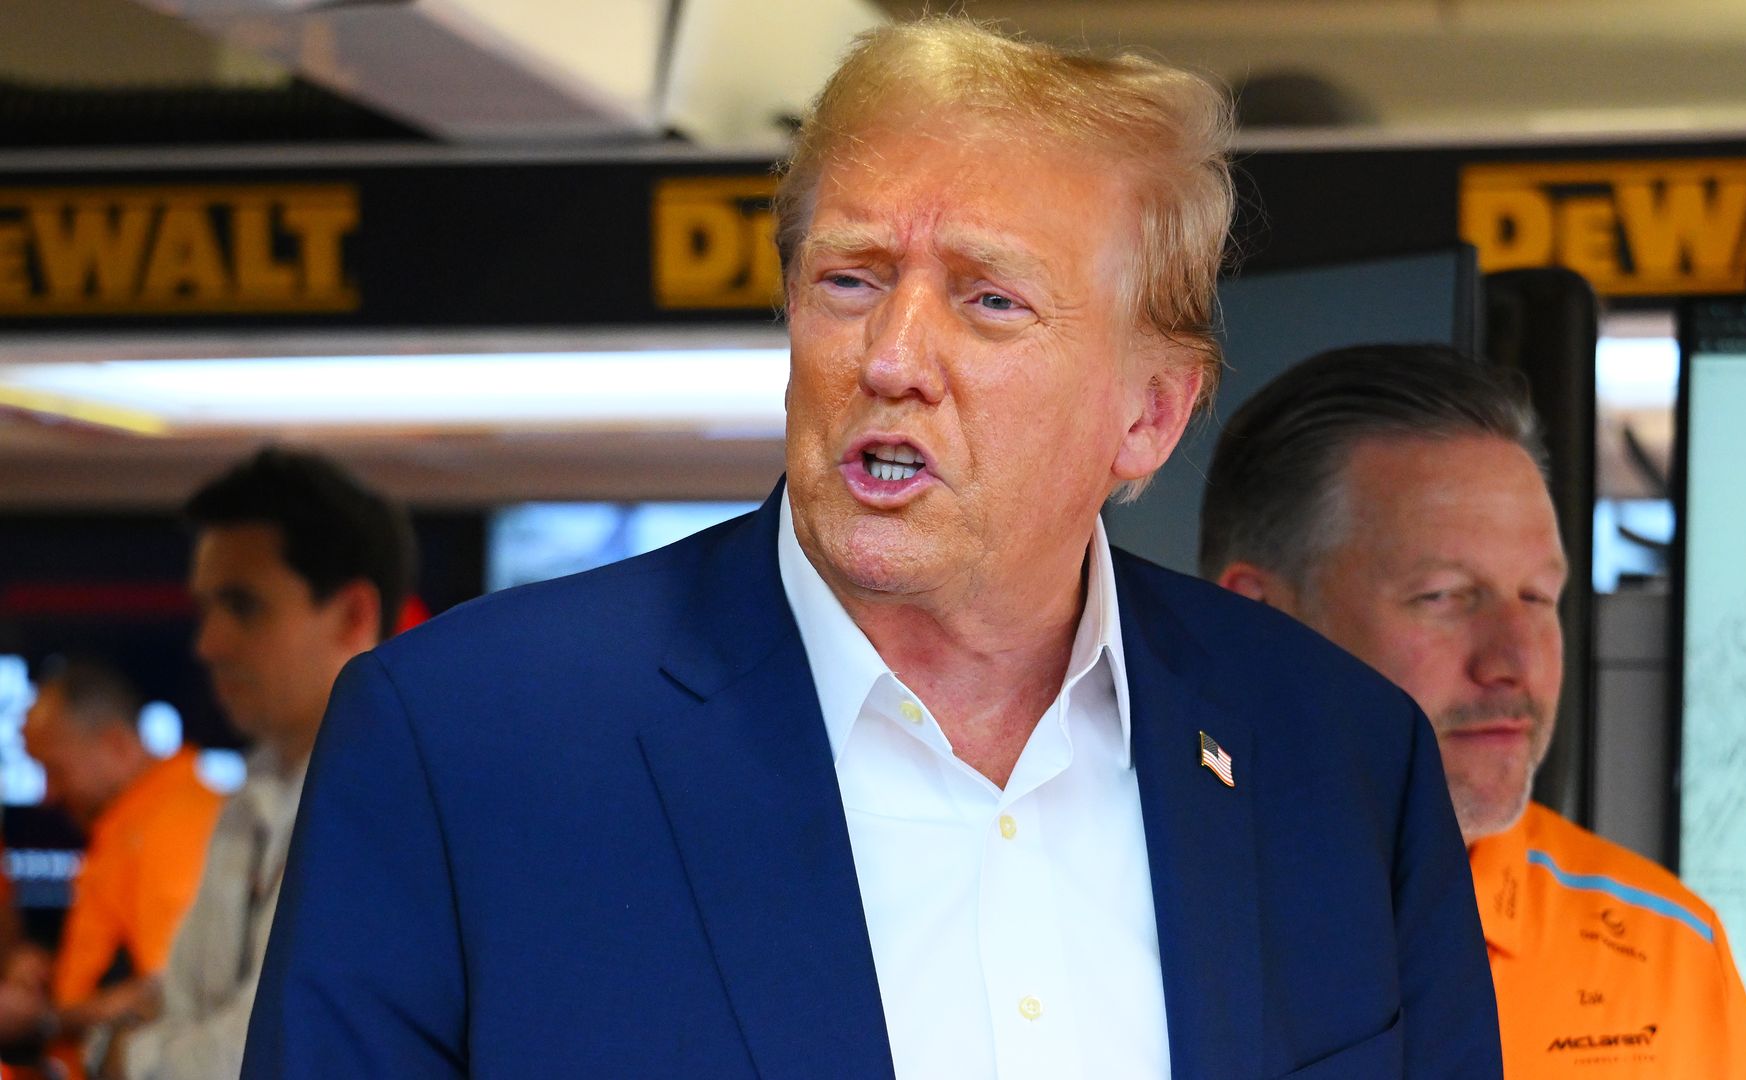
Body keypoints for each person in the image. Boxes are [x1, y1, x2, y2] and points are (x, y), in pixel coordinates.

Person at [241, 19, 1498, 1079]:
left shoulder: (1339, 761)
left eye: (988, 298)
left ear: (1149, 414)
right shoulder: (464, 741)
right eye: (849, 280)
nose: (890, 358)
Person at [1202, 343, 1746, 1078]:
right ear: (1261, 623)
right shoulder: (1121, 907)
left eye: (1538, 597)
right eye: (1443, 596)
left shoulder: (1666, 958)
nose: (1514, 662)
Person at [105, 448, 414, 1080]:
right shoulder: (255, 794)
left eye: (243, 606)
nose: (208, 643)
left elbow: (269, 1053)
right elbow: (186, 1004)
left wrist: (118, 1055)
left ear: (353, 614)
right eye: (206, 608)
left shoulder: (401, 811)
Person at [2, 657, 223, 1072]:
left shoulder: (171, 826)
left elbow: (168, 996)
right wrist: (53, 980)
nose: (47, 794)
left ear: (116, 745)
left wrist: (45, 1022)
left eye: (55, 770)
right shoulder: (133, 822)